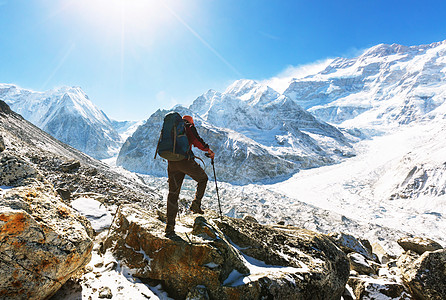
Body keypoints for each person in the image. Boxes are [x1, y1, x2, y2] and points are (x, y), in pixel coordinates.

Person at [165, 115, 215, 237]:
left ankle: (169, 228)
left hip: (172, 162)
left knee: (173, 194)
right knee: (203, 179)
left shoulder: (172, 129)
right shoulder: (188, 127)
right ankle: (196, 205)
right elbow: (197, 141)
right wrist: (208, 150)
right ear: (190, 122)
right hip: (185, 161)